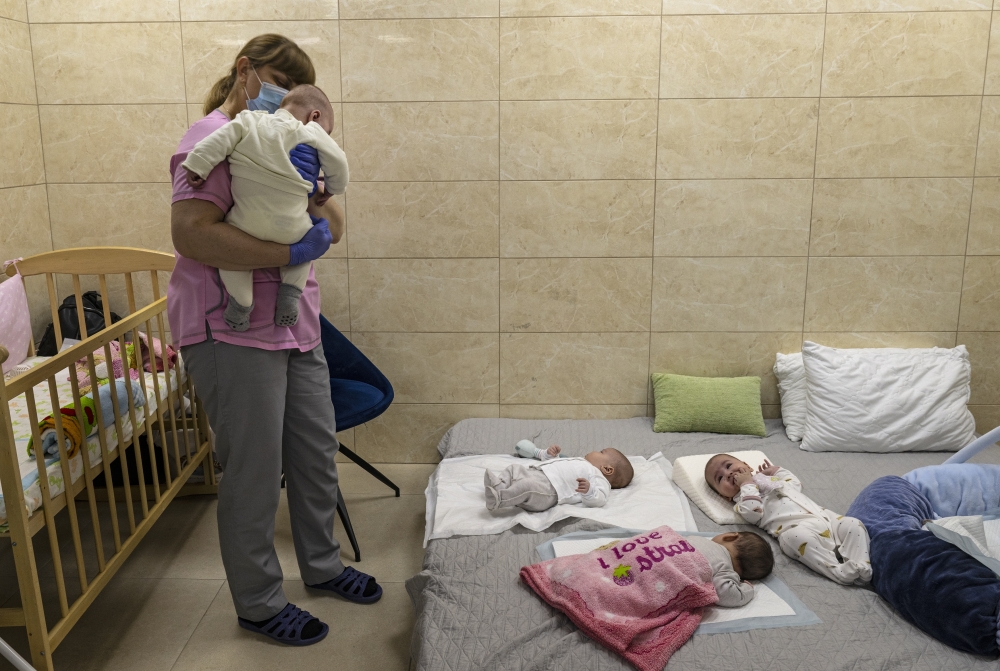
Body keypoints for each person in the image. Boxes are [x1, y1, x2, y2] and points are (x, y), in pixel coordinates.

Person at [168, 34, 379, 648]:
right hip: (229, 327)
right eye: (280, 83)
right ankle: (259, 603)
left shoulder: (291, 139)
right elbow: (191, 233)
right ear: (246, 71)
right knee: (255, 472)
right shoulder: (210, 137)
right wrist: (287, 253)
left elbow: (333, 226)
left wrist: (316, 194)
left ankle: (323, 566)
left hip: (294, 324)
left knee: (314, 455)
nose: (288, 98)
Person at [181, 84, 349, 331]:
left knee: (231, 263)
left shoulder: (249, 120)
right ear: (315, 116)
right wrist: (333, 187)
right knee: (305, 252)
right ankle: (290, 294)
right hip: (291, 227)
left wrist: (198, 165)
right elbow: (339, 161)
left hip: (245, 224)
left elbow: (219, 141)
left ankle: (241, 304)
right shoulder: (312, 131)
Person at [705, 454, 872, 586]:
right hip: (799, 529)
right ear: (725, 496)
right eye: (720, 478)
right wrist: (747, 484)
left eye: (729, 466)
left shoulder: (771, 481)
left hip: (826, 519)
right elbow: (753, 511)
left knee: (853, 524)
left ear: (747, 466)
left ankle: (860, 565)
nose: (728, 473)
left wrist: (776, 471)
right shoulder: (742, 501)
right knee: (792, 538)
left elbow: (795, 484)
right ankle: (838, 571)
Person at [484, 444, 634, 512]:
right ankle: (500, 485)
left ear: (607, 469)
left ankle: (499, 499)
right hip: (538, 473)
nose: (595, 450)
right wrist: (549, 455)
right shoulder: (579, 461)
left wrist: (589, 491)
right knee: (514, 468)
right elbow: (556, 465)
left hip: (548, 491)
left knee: (526, 487)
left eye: (601, 452)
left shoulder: (598, 476)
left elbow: (600, 499)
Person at [686, 532, 773, 607]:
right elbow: (729, 594)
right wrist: (748, 588)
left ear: (730, 537)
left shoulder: (698, 538)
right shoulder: (724, 569)